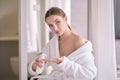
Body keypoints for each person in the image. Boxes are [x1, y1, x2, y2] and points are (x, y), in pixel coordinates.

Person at [28, 7, 97, 80]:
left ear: (65, 19)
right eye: (50, 25)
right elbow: (37, 66)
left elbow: (89, 74)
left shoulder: (78, 41)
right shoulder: (53, 43)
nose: (55, 28)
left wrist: (64, 64)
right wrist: (36, 65)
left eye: (57, 22)